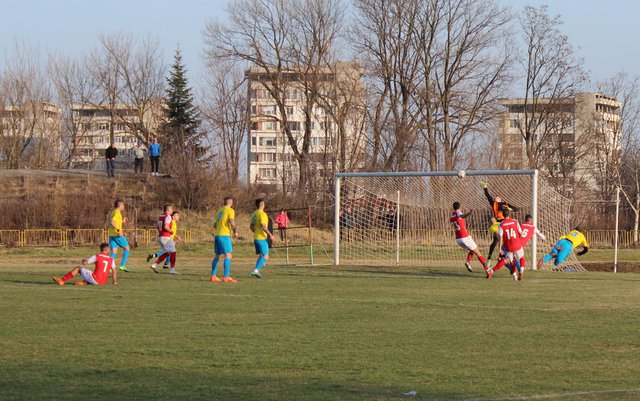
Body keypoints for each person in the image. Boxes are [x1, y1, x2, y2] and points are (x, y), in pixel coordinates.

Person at [449, 202, 490, 277]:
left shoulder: (451, 217)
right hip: (465, 237)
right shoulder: (458, 213)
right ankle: (488, 270)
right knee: (478, 252)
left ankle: (468, 262)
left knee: (473, 250)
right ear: (459, 207)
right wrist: (469, 213)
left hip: (458, 239)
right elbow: (461, 216)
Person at [481, 181, 519, 261]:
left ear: (500, 199)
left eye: (497, 197)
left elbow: (516, 209)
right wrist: (485, 188)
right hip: (498, 224)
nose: (495, 198)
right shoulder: (494, 204)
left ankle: (503, 256)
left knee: (505, 241)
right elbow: (488, 196)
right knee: (496, 240)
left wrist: (512, 208)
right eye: (495, 197)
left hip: (505, 224)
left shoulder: (504, 204)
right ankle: (490, 257)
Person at [52, 243, 117, 286]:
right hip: (103, 282)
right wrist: (114, 282)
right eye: (109, 249)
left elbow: (85, 263)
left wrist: (83, 260)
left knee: (78, 268)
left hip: (95, 279)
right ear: (107, 249)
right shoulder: (111, 259)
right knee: (90, 273)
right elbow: (114, 271)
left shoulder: (97, 256)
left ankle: (62, 280)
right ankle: (84, 283)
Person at [488, 208, 523, 281]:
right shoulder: (515, 221)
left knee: (507, 260)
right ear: (509, 214)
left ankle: (492, 271)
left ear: (503, 215)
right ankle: (521, 269)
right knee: (521, 257)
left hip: (508, 246)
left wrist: (500, 248)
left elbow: (500, 237)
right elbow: (520, 233)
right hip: (516, 243)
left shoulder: (501, 224)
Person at [210, 197, 238, 283]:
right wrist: (235, 231)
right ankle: (226, 277)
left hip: (217, 234)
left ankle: (213, 276)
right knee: (228, 255)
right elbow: (231, 221)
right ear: (230, 203)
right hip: (224, 235)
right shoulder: (230, 210)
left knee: (217, 255)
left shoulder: (219, 211)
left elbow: (215, 224)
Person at [148, 204, 179, 274]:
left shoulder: (161, 216)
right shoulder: (168, 216)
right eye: (171, 209)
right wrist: (171, 231)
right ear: (168, 210)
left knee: (167, 253)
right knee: (173, 252)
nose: (172, 210)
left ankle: (154, 265)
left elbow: (157, 226)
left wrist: (161, 232)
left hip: (160, 237)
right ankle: (172, 270)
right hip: (166, 237)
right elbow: (165, 226)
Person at [250, 199, 276, 279]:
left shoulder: (254, 214)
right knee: (266, 256)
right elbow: (263, 226)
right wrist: (271, 235)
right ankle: (256, 270)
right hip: (261, 238)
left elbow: (251, 227)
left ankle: (256, 271)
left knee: (262, 255)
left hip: (256, 238)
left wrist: (256, 232)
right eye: (264, 203)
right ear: (262, 204)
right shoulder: (263, 214)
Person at [516, 214, 546, 280]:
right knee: (518, 258)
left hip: (514, 244)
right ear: (531, 221)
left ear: (525, 220)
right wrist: (544, 239)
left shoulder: (521, 226)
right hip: (519, 246)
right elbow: (541, 235)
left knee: (511, 259)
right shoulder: (533, 228)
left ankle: (517, 272)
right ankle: (520, 270)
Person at [107, 199, 131, 272]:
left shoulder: (113, 212)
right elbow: (112, 222)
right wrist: (118, 231)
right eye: (123, 205)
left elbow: (115, 222)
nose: (124, 206)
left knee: (114, 252)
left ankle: (108, 267)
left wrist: (122, 221)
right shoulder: (117, 212)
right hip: (117, 234)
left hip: (111, 234)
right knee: (127, 249)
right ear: (120, 205)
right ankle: (122, 265)